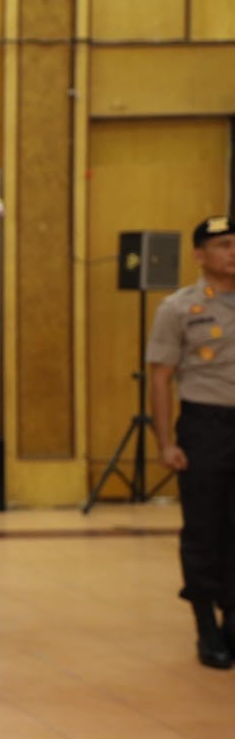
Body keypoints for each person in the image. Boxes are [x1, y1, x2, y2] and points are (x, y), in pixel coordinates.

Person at [147, 214, 235, 669]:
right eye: (222, 245)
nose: (232, 251)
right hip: (206, 426)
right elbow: (161, 378)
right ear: (200, 256)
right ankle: (206, 625)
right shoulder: (179, 308)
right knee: (205, 529)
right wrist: (166, 442)